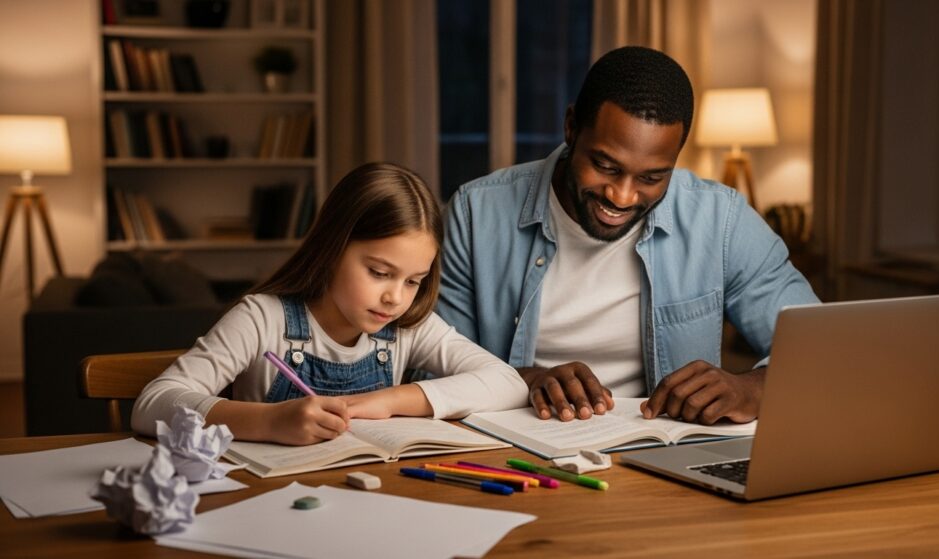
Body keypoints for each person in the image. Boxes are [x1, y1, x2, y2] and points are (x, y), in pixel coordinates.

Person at [437, 46, 819, 426]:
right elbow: (431, 370)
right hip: (516, 454)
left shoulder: (721, 222)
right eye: (604, 166)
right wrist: (525, 381)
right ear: (571, 127)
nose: (621, 196)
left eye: (651, 178)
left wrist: (752, 388)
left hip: (661, 458)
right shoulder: (475, 214)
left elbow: (821, 347)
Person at [132, 162, 528, 445]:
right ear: (333, 248)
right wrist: (268, 422)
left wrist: (390, 400)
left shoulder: (407, 326)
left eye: (413, 281)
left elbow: (508, 384)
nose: (395, 297)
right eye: (378, 272)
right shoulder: (261, 319)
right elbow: (152, 404)